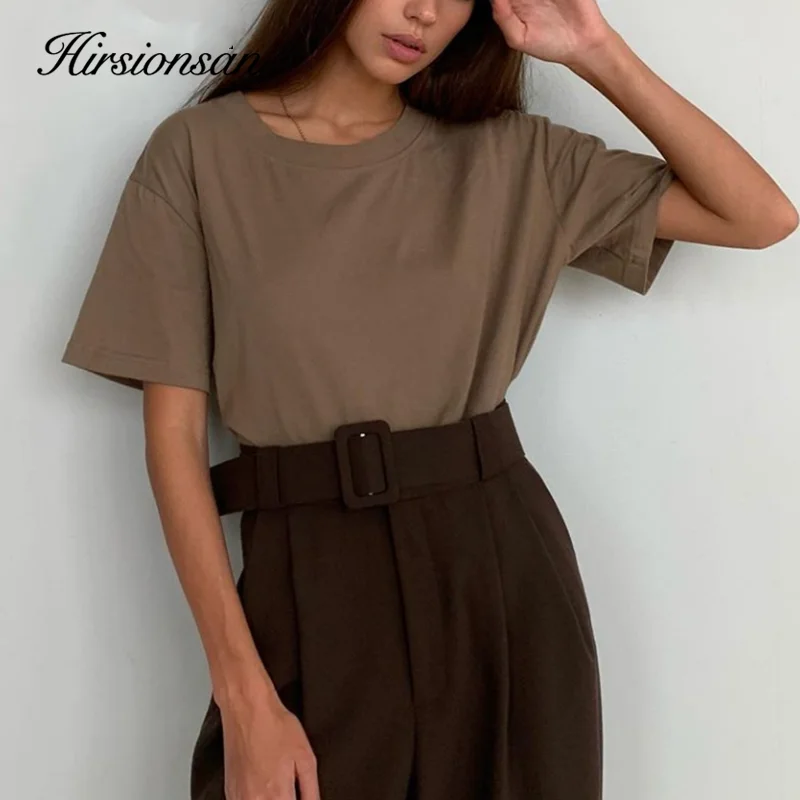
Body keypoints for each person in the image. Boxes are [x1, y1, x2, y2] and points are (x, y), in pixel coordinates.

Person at [60, 0, 797, 798]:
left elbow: (758, 215)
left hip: (498, 574)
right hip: (305, 580)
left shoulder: (510, 155)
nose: (424, 12)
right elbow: (173, 441)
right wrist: (244, 698)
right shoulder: (198, 153)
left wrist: (596, 50)